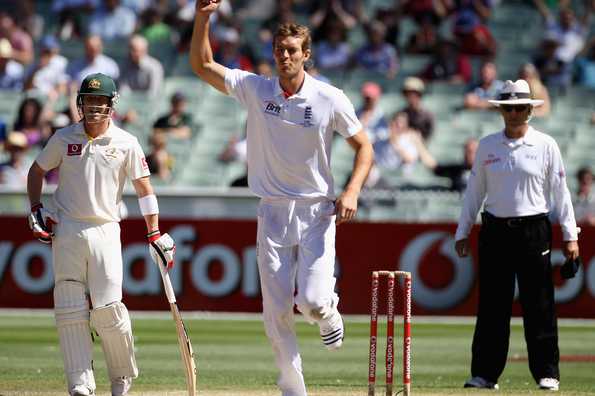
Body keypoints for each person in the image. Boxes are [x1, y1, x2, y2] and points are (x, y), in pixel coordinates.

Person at [190, 2, 374, 395]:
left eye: (292, 50)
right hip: (272, 211)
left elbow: (364, 147)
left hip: (316, 211)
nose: (285, 56)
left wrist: (353, 189)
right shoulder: (256, 89)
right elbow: (203, 66)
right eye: (279, 49)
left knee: (310, 301)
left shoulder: (329, 98)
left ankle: (327, 310)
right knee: (274, 312)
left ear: (306, 55)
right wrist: (204, 17)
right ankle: (293, 387)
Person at [26, 73, 175, 396]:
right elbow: (37, 170)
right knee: (69, 307)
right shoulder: (65, 138)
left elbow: (144, 188)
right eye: (89, 101)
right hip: (67, 230)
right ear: (80, 103)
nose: (93, 108)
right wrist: (36, 208)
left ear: (111, 105)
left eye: (99, 102)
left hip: (106, 230)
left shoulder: (126, 143)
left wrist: (155, 232)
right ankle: (80, 381)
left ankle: (121, 377)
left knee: (109, 308)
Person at [455, 79, 580, 392]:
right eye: (508, 108)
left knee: (539, 305)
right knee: (492, 306)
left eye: (520, 108)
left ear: (530, 110)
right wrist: (463, 229)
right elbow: (474, 191)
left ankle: (546, 372)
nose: (514, 113)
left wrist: (570, 235)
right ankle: (485, 374)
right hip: (495, 228)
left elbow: (560, 193)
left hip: (533, 230)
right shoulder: (487, 145)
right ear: (501, 111)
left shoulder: (546, 145)